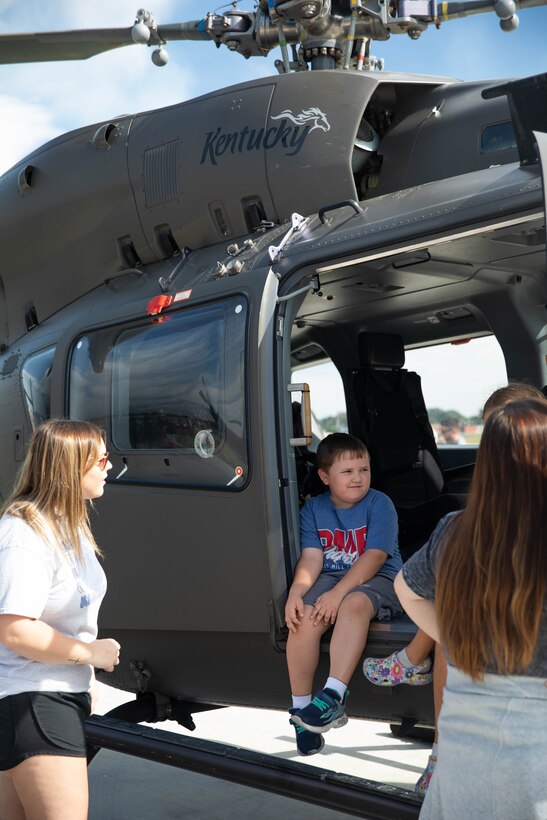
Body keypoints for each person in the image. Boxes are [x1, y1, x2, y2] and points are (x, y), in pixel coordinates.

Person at [363, 381, 547, 794]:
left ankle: (439, 745)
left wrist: (460, 635)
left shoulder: (456, 530)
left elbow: (407, 590)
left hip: (474, 741)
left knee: (451, 615)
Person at [0, 419, 121, 820]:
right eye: (101, 458)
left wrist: (82, 679)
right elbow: (16, 629)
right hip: (34, 701)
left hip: (47, 699)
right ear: (71, 466)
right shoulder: (26, 533)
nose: (109, 465)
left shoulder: (71, 528)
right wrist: (90, 654)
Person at [285, 432, 403, 755]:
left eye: (363, 470)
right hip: (332, 577)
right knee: (303, 619)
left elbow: (375, 557)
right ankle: (301, 713)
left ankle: (333, 696)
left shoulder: (380, 504)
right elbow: (312, 557)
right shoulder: (313, 509)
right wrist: (297, 592)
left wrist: (337, 593)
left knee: (352, 604)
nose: (358, 478)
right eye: (347, 472)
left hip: (379, 578)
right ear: (325, 476)